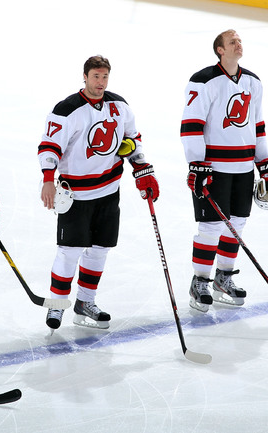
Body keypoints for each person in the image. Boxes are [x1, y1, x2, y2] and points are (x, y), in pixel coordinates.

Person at [38, 55, 159, 330]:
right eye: (95, 76)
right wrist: (47, 179)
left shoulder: (119, 105)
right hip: (76, 195)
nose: (100, 82)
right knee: (69, 252)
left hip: (108, 191)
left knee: (99, 250)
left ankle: (85, 302)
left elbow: (132, 138)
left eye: (105, 77)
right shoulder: (67, 109)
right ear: (85, 76)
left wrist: (142, 167)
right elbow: (49, 146)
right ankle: (57, 304)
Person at [180, 29, 268, 313]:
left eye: (239, 41)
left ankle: (223, 278)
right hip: (214, 168)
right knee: (211, 227)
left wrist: (265, 163)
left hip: (244, 167)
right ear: (220, 50)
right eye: (232, 41)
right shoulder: (203, 80)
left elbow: (258, 126)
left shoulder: (253, 82)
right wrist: (197, 164)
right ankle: (200, 281)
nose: (238, 44)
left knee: (236, 224)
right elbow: (191, 125)